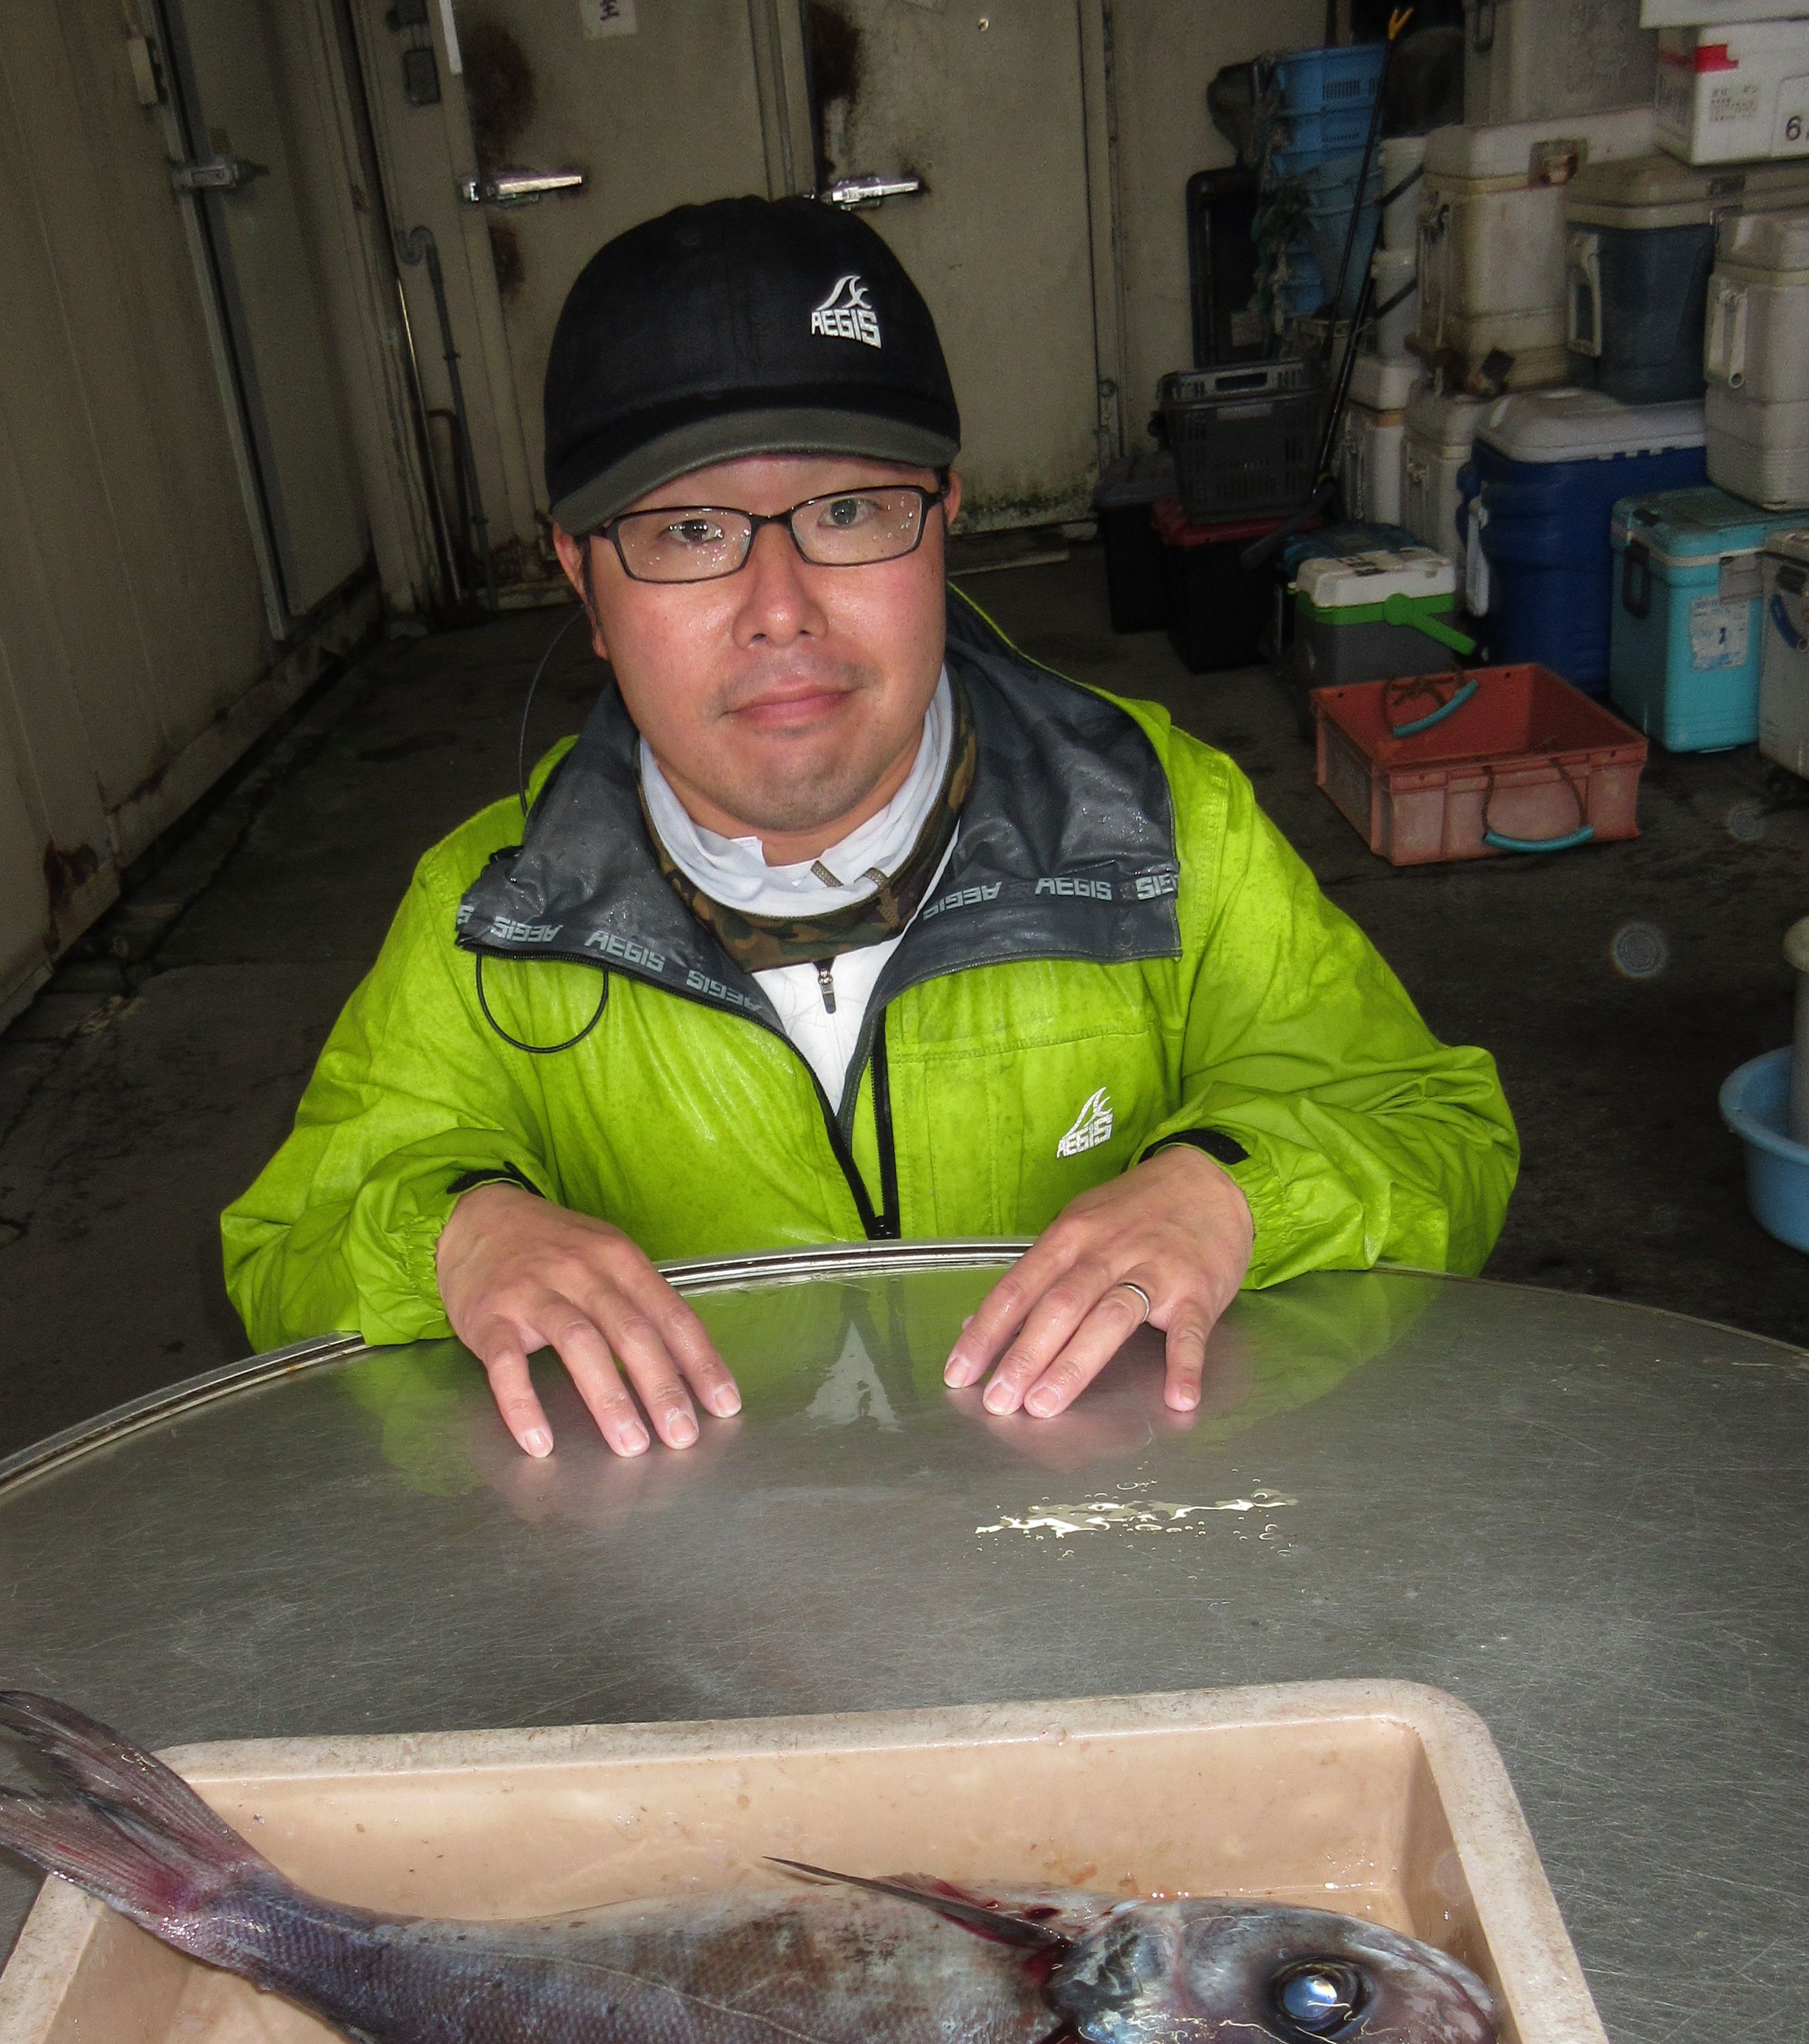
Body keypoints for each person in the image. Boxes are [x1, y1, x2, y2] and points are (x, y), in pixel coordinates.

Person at [223, 197, 1517, 1460]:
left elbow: (1429, 1128)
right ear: (582, 577)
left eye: (848, 512)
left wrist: (1234, 1189)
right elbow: (291, 1247)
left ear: (946, 520)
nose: (780, 607)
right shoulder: (488, 918)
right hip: (695, 1576)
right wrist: (458, 1236)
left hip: (1093, 1542)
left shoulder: (1160, 827)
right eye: (688, 531)